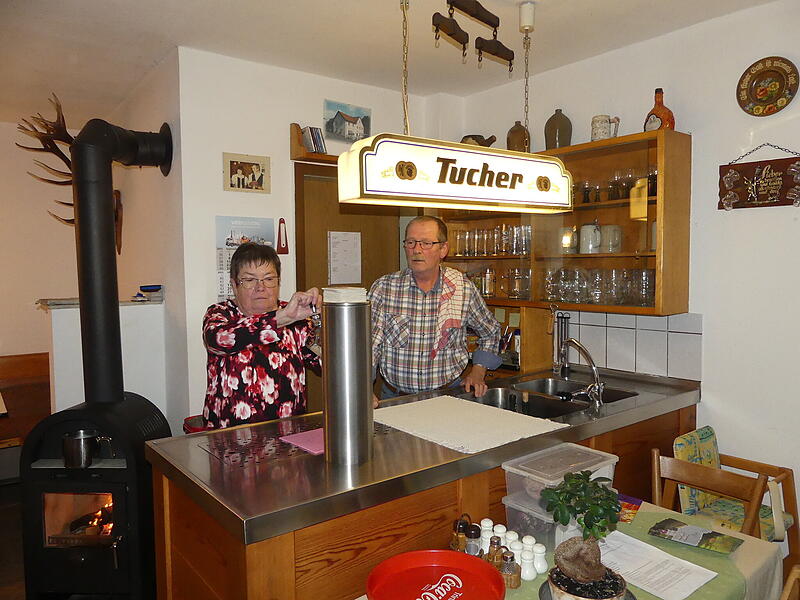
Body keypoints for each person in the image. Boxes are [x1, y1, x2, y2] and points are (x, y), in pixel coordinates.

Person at [369, 216, 501, 401]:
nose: (416, 250)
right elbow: (368, 346)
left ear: (443, 249)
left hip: (447, 396)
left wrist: (478, 370)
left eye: (426, 243)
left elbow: (491, 332)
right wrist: (363, 387)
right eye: (411, 242)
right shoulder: (384, 288)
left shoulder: (461, 289)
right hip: (395, 398)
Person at [202, 242, 320, 429]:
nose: (260, 287)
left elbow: (324, 359)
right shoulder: (220, 314)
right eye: (249, 280)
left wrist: (322, 318)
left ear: (278, 282)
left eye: (269, 279)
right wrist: (283, 317)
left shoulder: (296, 317)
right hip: (229, 439)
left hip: (289, 435)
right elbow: (220, 340)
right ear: (234, 285)